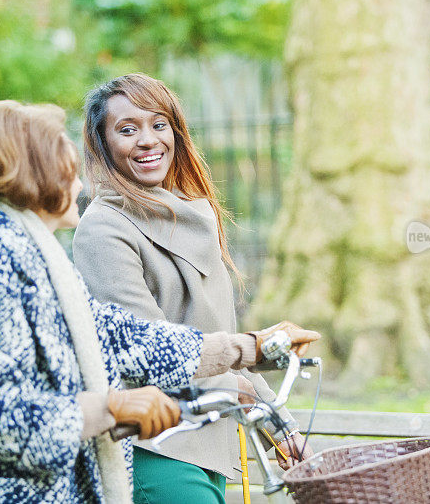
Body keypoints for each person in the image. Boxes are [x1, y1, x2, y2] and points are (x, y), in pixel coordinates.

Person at [0, 100, 319, 504]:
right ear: (31, 174)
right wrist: (110, 406)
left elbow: (125, 338)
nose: (81, 183)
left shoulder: (30, 256)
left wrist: (251, 346)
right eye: (68, 168)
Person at [73, 74, 316, 504]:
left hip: (211, 442)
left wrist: (284, 429)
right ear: (103, 145)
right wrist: (243, 377)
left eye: (158, 124)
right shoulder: (104, 230)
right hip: (156, 449)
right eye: (127, 130)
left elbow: (220, 344)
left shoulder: (190, 216)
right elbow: (146, 351)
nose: (147, 140)